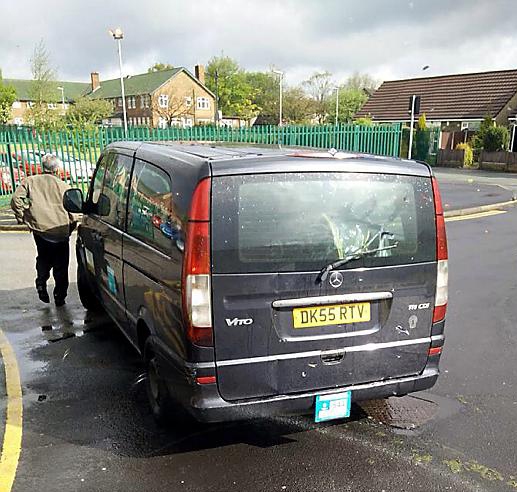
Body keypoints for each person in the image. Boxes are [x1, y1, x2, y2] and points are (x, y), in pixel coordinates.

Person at [11, 154, 76, 306]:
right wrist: (70, 227)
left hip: (40, 231)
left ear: (42, 168)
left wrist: (23, 217)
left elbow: (16, 199)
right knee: (61, 265)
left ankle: (41, 282)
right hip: (60, 232)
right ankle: (59, 296)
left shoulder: (30, 181)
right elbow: (75, 213)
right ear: (58, 170)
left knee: (43, 258)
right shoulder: (64, 187)